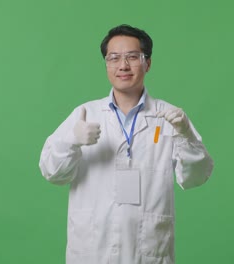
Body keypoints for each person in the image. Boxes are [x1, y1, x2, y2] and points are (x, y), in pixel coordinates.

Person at [39, 24, 214, 264]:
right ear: (106, 64)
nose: (123, 65)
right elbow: (51, 172)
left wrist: (186, 136)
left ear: (148, 63)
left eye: (132, 57)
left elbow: (196, 177)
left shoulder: (171, 117)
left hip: (148, 251)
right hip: (92, 251)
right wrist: (71, 141)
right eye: (114, 58)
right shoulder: (85, 114)